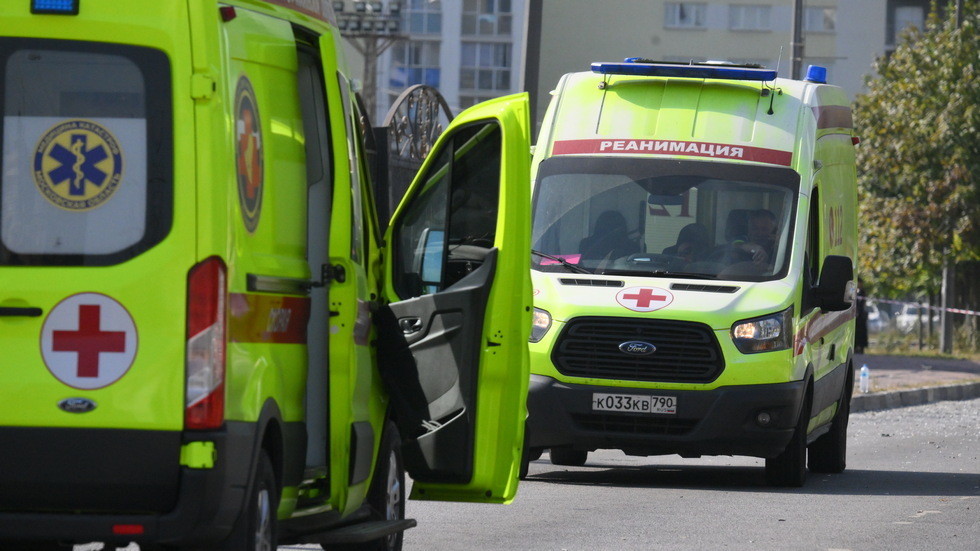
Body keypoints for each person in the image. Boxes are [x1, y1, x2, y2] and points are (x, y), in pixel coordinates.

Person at [855, 278, 868, 353]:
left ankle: (861, 347)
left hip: (861, 316)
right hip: (855, 316)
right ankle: (856, 346)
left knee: (862, 332)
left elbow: (863, 303)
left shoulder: (862, 292)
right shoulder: (854, 292)